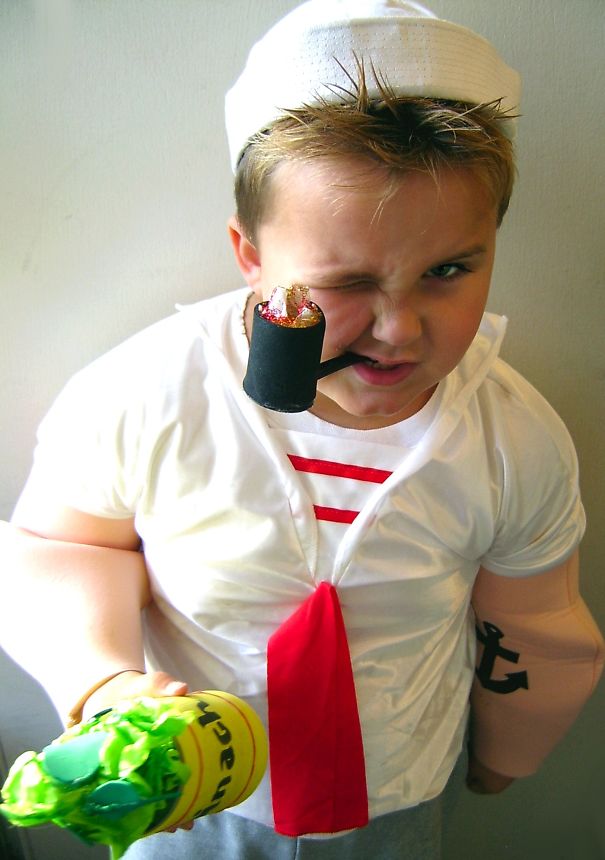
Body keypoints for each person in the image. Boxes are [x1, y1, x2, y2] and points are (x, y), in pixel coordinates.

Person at [1, 2, 603, 858]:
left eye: (447, 271)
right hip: (191, 797)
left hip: (394, 791)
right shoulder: (147, 394)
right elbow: (64, 551)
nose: (397, 329)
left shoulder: (511, 439)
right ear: (250, 255)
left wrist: (512, 746)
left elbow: (536, 620)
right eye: (348, 279)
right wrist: (103, 681)